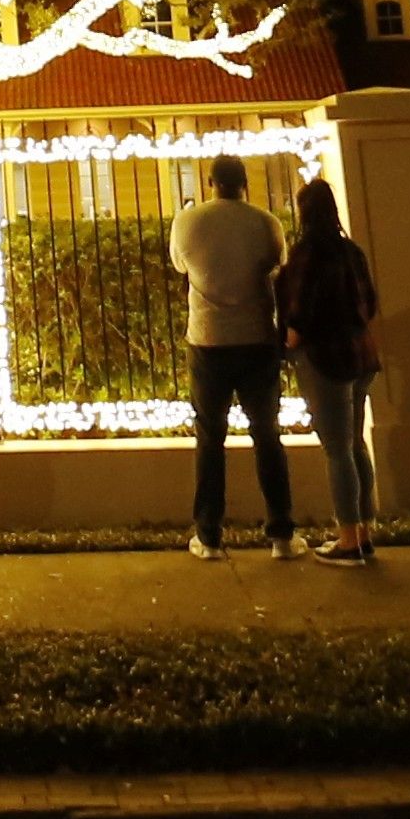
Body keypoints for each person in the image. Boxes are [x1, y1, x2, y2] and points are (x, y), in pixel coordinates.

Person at [168, 152, 300, 560]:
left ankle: (208, 535)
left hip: (207, 340)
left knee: (210, 438)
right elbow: (278, 267)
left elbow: (179, 267)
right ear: (244, 183)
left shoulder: (188, 222)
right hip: (257, 338)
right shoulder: (266, 223)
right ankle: (281, 534)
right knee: (267, 435)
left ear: (211, 183)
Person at [274, 175, 383, 566]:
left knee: (336, 449)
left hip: (325, 358)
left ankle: (348, 538)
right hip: (360, 354)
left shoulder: (307, 255)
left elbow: (298, 311)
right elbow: (369, 302)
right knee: (355, 444)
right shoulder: (351, 252)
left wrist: (289, 340)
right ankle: (365, 531)